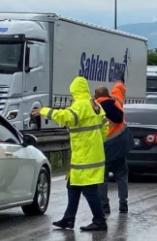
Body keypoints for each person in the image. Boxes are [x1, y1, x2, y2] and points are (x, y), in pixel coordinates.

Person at [32, 77, 109, 231]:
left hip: (85, 155)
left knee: (89, 189)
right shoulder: (95, 105)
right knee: (72, 186)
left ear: (75, 90)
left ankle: (100, 221)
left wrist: (44, 111)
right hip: (91, 153)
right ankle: (68, 219)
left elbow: (66, 117)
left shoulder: (80, 105)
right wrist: (95, 142)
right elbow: (105, 127)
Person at [94, 79, 134, 214]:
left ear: (96, 97)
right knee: (122, 175)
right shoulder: (116, 101)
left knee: (102, 178)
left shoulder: (95, 108)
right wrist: (119, 80)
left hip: (105, 148)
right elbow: (119, 89)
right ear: (108, 94)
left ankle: (104, 206)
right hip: (121, 147)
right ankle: (123, 204)